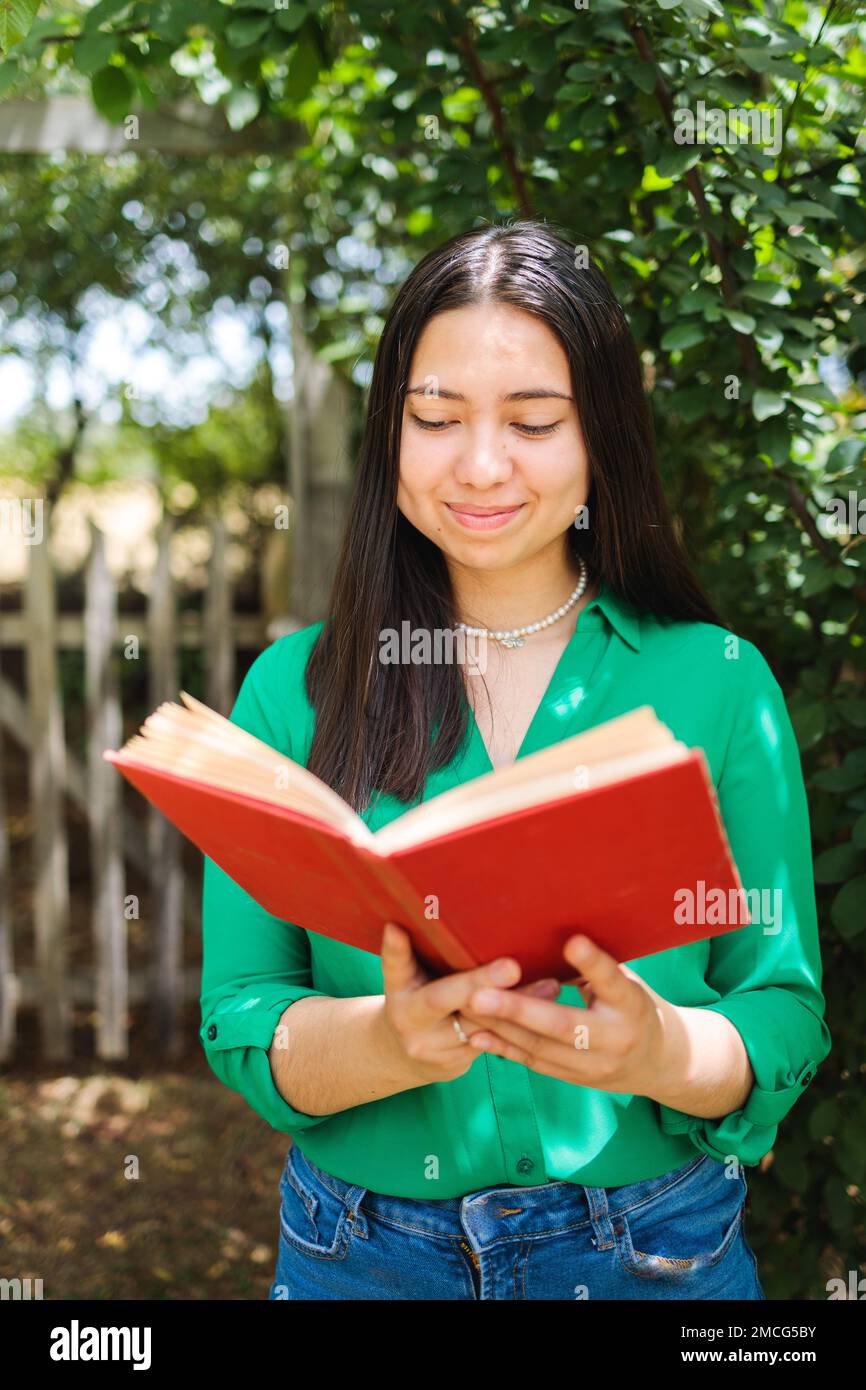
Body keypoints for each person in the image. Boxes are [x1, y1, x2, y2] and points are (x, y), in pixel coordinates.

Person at [199, 220, 831, 1301]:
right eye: (434, 418)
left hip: (652, 1249)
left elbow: (779, 1006)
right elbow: (245, 1012)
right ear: (388, 435)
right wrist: (388, 1040)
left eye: (533, 421)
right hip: (359, 1254)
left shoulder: (717, 680)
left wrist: (657, 1054)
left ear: (600, 443)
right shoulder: (291, 692)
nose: (479, 464)